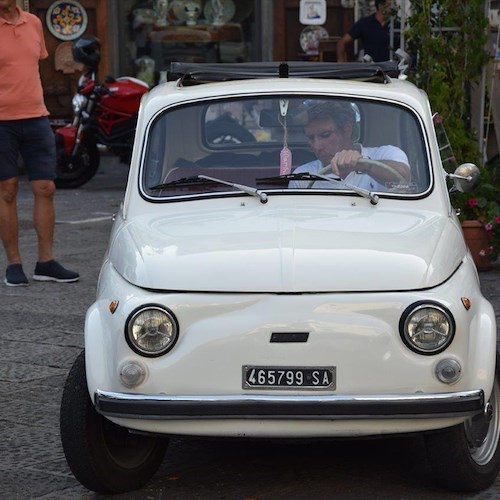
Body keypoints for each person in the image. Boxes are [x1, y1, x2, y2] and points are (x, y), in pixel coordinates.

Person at [0, 0, 79, 286]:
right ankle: (14, 264)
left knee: (45, 187)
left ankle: (45, 262)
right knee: (7, 191)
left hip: (36, 117)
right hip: (1, 122)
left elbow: (34, 64)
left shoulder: (33, 22)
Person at [289, 101, 410, 190]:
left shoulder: (385, 153)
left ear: (347, 129)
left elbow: (404, 178)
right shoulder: (303, 175)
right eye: (311, 138)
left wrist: (364, 165)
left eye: (325, 135)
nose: (316, 146)